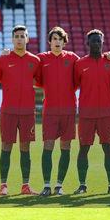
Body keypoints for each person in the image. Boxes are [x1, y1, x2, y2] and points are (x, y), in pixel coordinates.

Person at [0, 25, 40, 195]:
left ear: (27, 39)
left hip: (27, 111)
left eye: (22, 36)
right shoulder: (3, 60)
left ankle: (25, 185)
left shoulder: (35, 61)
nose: (19, 39)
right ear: (12, 39)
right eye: (16, 36)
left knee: (25, 147)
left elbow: (41, 81)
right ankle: (3, 185)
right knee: (6, 146)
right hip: (8, 111)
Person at [73, 30, 110, 195]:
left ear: (103, 43)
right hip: (86, 115)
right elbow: (74, 84)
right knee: (83, 149)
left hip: (106, 115)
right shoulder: (80, 64)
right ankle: (82, 185)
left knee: (109, 150)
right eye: (93, 41)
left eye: (98, 41)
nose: (96, 44)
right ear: (88, 43)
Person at [35, 27, 79, 196]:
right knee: (48, 145)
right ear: (49, 41)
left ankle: (59, 185)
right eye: (54, 38)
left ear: (64, 41)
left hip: (68, 109)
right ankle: (47, 185)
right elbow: (38, 80)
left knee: (66, 146)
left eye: (60, 39)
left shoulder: (73, 59)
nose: (57, 42)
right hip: (50, 110)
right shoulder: (41, 59)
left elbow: (77, 80)